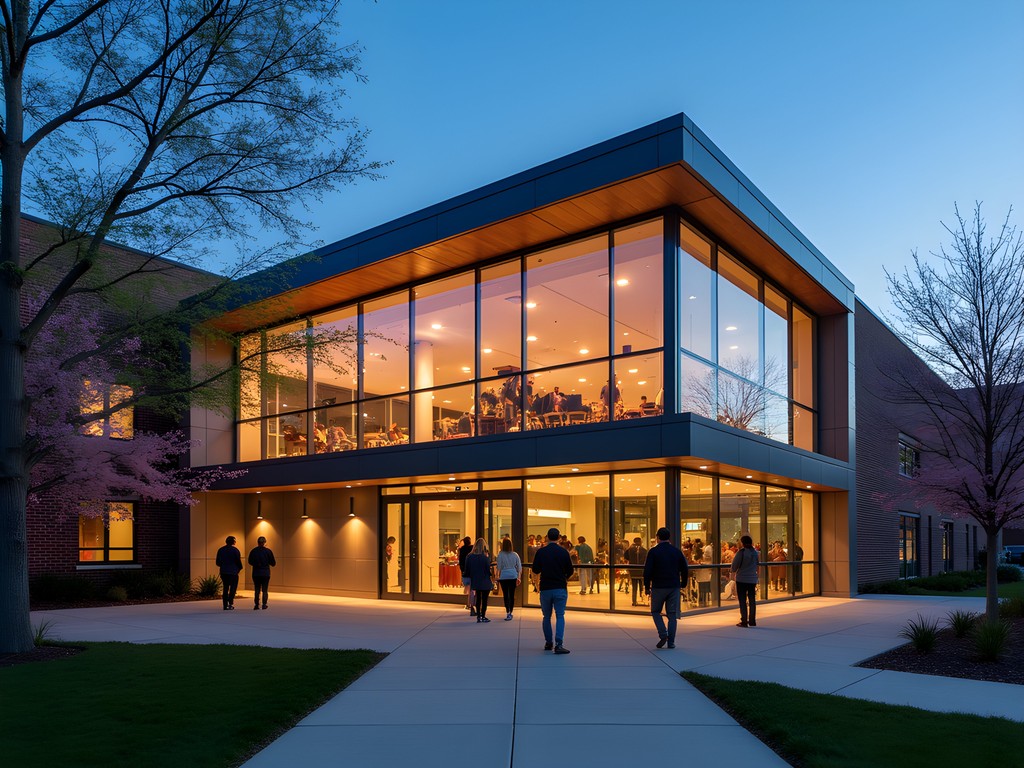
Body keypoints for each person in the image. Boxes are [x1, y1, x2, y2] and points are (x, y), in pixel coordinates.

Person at [643, 527, 689, 648]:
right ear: (669, 538)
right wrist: (683, 583)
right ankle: (671, 642)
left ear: (657, 537)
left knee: (655, 611)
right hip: (673, 586)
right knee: (672, 615)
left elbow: (647, 571)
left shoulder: (653, 552)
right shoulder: (676, 551)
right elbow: (684, 568)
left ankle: (663, 633)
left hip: (658, 586)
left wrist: (647, 586)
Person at [531, 527, 574, 654]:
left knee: (546, 616)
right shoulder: (563, 552)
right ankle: (559, 644)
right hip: (560, 587)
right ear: (559, 538)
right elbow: (570, 570)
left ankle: (548, 642)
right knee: (560, 615)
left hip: (546, 588)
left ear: (547, 537)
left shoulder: (541, 552)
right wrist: (564, 577)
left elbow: (535, 570)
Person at [731, 535, 759, 627]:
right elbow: (757, 565)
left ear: (742, 543)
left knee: (742, 600)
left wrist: (733, 572)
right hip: (752, 579)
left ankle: (744, 620)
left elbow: (734, 566)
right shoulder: (755, 553)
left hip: (742, 579)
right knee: (752, 600)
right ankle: (752, 620)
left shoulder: (741, 553)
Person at [465, 539, 493, 622]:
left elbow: (467, 570)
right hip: (485, 580)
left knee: (478, 598)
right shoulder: (485, 558)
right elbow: (488, 571)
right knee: (484, 599)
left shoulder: (469, 557)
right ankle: (483, 616)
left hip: (475, 580)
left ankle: (478, 616)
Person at [495, 538, 523, 620]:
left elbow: (499, 567)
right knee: (511, 594)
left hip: (504, 576)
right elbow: (519, 567)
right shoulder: (515, 555)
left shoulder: (500, 555)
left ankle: (507, 611)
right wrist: (519, 577)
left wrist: (497, 576)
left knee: (505, 595)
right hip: (513, 576)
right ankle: (511, 611)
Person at [247, 535, 276, 610]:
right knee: (265, 589)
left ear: (258, 542)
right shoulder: (268, 551)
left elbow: (250, 561)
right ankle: (264, 604)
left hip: (256, 573)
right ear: (264, 542)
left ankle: (256, 605)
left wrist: (256, 564)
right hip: (265, 573)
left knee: (257, 589)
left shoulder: (253, 551)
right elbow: (273, 563)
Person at [215, 535, 242, 610]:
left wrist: (223, 565)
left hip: (224, 572)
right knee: (233, 588)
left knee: (225, 588)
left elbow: (217, 562)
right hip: (233, 572)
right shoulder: (235, 550)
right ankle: (230, 603)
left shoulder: (221, 550)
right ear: (233, 542)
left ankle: (225, 604)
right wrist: (239, 568)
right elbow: (238, 561)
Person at [625, 536, 648, 605]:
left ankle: (634, 601)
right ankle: (642, 599)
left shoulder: (630, 550)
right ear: (640, 542)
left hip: (633, 570)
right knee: (642, 585)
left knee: (634, 586)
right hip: (641, 570)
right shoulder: (644, 550)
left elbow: (626, 556)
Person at [458, 535, 476, 615]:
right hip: (472, 571)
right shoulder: (472, 548)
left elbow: (460, 560)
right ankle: (471, 604)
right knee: (472, 590)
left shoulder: (461, 550)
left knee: (468, 588)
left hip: (465, 571)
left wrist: (462, 570)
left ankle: (469, 604)